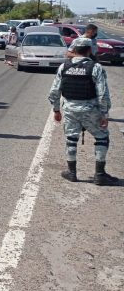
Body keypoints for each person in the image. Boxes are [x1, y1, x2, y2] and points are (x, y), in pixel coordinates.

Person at [48, 38, 118, 185]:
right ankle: (100, 174)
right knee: (102, 136)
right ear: (89, 51)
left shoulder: (64, 67)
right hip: (90, 110)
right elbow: (103, 94)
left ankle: (71, 173)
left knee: (71, 138)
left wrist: (56, 110)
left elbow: (54, 92)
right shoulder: (96, 67)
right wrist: (105, 114)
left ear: (73, 51)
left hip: (70, 109)